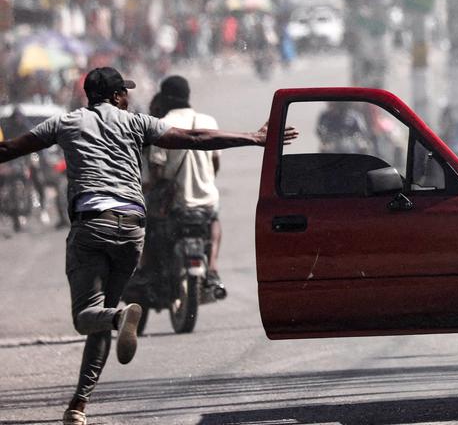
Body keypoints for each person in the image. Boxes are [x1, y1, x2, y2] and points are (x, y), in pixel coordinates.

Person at [0, 66, 297, 425]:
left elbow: (11, 148)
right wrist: (253, 137)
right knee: (101, 314)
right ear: (115, 96)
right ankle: (78, 405)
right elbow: (195, 138)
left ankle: (119, 318)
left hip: (92, 227)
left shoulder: (66, 123)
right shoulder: (136, 123)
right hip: (132, 230)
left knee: (87, 317)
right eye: (124, 92)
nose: (128, 98)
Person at [144, 75, 225, 291]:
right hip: (206, 200)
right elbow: (215, 163)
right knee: (214, 219)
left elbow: (156, 170)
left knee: (147, 225)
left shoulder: (161, 125)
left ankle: (148, 270)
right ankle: (213, 267)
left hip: (175, 203)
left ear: (165, 98)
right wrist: (205, 181)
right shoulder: (208, 122)